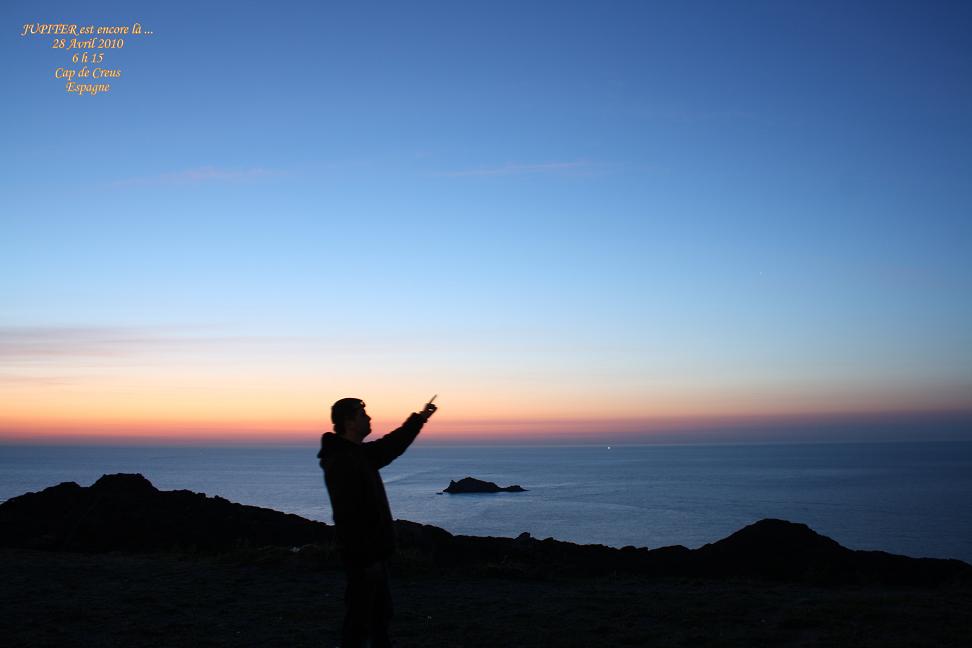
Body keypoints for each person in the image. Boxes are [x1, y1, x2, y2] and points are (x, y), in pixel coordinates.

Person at [318, 396, 437, 648]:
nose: (369, 418)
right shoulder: (343, 461)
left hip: (371, 554)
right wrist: (366, 559)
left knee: (377, 616)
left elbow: (392, 445)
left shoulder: (358, 454)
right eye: (362, 415)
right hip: (363, 556)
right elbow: (347, 516)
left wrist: (420, 418)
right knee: (361, 619)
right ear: (349, 422)